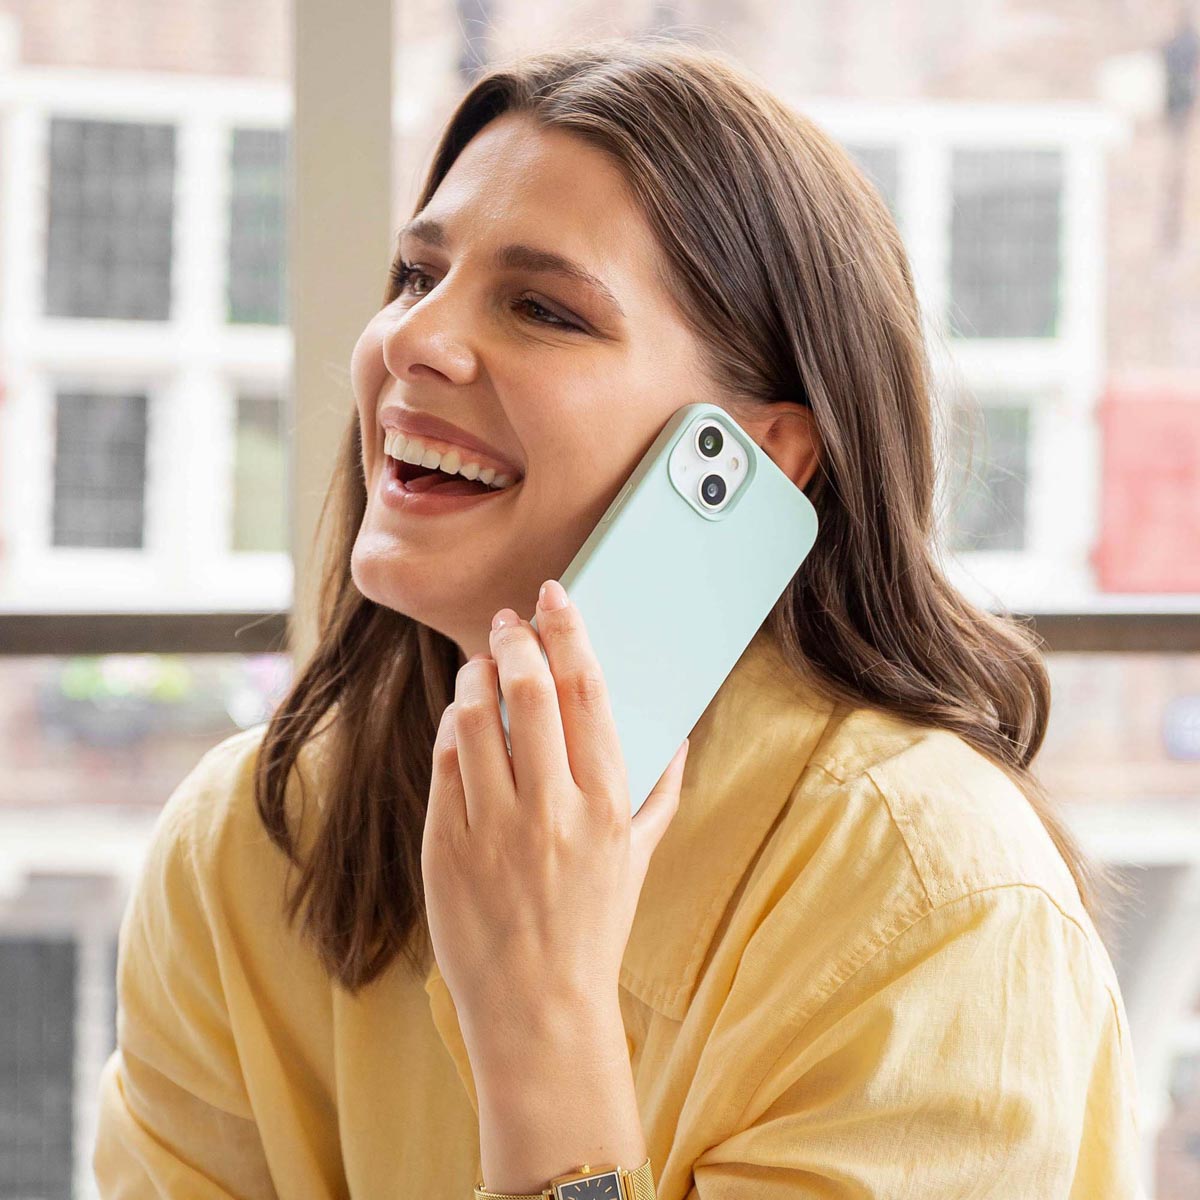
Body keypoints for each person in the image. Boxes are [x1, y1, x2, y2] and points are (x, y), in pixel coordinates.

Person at [93, 34, 1145, 1199]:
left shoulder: (935, 905)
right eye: (417, 276)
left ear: (757, 457)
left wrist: (540, 1020)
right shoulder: (247, 840)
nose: (412, 340)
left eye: (543, 308)